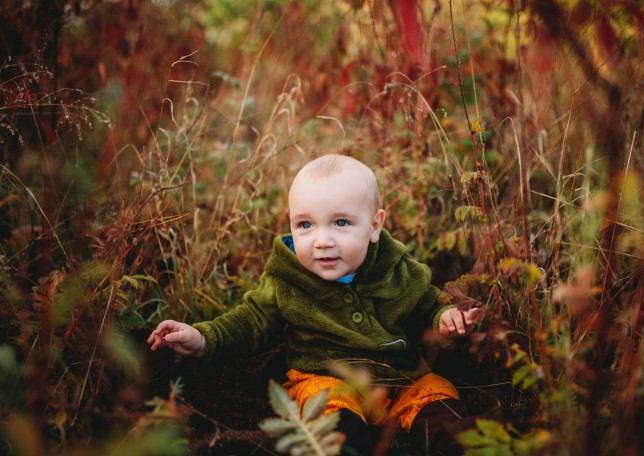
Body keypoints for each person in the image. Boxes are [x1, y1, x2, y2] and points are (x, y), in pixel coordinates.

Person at [148, 154, 490, 455]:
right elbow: (250, 321)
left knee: (440, 405)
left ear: (374, 226)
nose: (322, 241)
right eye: (305, 225)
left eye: (341, 223)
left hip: (402, 379)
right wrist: (203, 337)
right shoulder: (288, 278)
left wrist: (445, 318)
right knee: (332, 422)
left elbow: (426, 306)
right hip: (327, 380)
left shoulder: (396, 269)